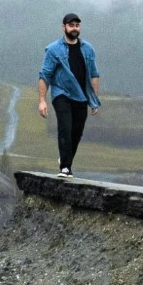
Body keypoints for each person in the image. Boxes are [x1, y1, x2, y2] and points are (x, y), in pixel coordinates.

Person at [37, 12, 100, 178]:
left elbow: (94, 74)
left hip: (81, 96)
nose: (74, 28)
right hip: (61, 94)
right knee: (65, 127)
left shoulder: (88, 49)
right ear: (64, 27)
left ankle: (65, 158)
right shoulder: (53, 49)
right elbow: (45, 75)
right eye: (71, 25)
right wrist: (42, 101)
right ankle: (65, 168)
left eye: (77, 25)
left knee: (76, 132)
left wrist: (94, 99)